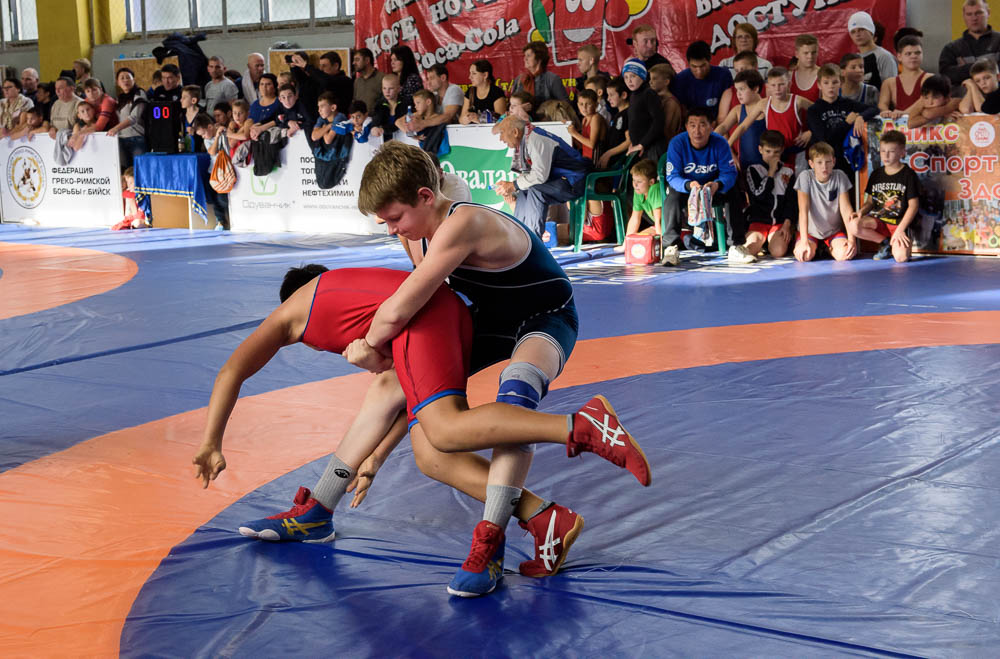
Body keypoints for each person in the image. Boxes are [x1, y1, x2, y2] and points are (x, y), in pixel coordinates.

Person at [193, 262, 650, 598]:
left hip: (435, 317)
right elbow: (399, 391)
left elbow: (232, 371)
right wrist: (374, 459)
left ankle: (579, 426)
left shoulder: (291, 315)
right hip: (442, 315)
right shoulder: (350, 294)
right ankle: (544, 516)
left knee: (446, 431)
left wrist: (211, 442)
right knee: (430, 453)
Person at [661, 107, 743, 266]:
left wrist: (717, 184)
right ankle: (670, 247)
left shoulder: (720, 143)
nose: (697, 131)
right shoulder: (677, 143)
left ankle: (736, 245)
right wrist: (688, 185)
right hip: (687, 188)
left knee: (732, 192)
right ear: (686, 127)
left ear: (711, 126)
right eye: (692, 125)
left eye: (702, 125)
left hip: (712, 187)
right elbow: (672, 176)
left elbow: (729, 173)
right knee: (672, 197)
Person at [492, 115, 591, 237]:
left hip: (576, 182)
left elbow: (539, 176)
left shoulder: (536, 140)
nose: (501, 138)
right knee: (524, 189)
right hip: (563, 181)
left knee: (535, 189)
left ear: (515, 132)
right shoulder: (528, 137)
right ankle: (520, 235)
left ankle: (534, 239)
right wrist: (511, 186)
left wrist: (513, 185)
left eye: (502, 133)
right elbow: (532, 176)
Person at [848, 130, 919, 262]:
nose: (886, 155)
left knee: (901, 258)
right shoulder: (876, 174)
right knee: (853, 225)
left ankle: (896, 242)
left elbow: (913, 206)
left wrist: (900, 229)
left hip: (898, 224)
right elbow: (870, 202)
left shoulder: (908, 175)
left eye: (891, 151)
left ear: (902, 152)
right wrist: (861, 211)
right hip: (878, 222)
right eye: (882, 151)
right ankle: (884, 243)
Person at [806, 64, 878, 178]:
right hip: (823, 162)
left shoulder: (847, 104)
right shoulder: (813, 110)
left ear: (841, 83)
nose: (831, 87)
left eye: (835, 82)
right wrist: (847, 123)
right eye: (826, 83)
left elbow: (874, 109)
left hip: (845, 160)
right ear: (819, 85)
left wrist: (860, 117)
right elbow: (825, 138)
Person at [731, 67, 812, 167]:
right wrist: (728, 144)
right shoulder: (763, 104)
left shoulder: (798, 101)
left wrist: (810, 132)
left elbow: (821, 113)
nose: (777, 89)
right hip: (775, 154)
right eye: (773, 85)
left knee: (797, 177)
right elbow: (743, 126)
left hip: (796, 152)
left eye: (781, 84)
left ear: (789, 84)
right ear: (768, 87)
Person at [793, 141, 856, 263]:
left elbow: (846, 210)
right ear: (811, 164)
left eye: (828, 162)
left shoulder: (840, 176)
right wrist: (804, 241)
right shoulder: (805, 177)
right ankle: (815, 247)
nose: (824, 167)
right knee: (805, 256)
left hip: (833, 231)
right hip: (810, 232)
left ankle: (827, 248)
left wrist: (852, 240)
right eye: (819, 162)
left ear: (834, 161)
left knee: (844, 255)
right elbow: (803, 211)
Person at [738, 130, 795, 261]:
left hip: (779, 222)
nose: (772, 156)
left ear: (782, 151)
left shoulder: (788, 171)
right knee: (748, 249)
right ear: (760, 149)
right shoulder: (753, 169)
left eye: (776, 152)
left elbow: (791, 201)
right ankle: (761, 243)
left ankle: (769, 243)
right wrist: (770, 173)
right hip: (759, 221)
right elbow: (758, 196)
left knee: (778, 251)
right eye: (768, 151)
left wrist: (787, 224)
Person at [940, 0, 1000, 89]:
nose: (974, 18)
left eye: (978, 13)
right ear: (964, 16)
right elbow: (945, 77)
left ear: (988, 13)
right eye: (969, 14)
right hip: (964, 96)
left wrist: (963, 69)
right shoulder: (951, 48)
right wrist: (977, 67)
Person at [670, 40, 734, 123]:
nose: (699, 71)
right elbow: (681, 112)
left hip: (719, 123)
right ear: (688, 63)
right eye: (694, 66)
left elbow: (728, 110)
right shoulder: (680, 80)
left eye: (703, 66)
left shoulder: (723, 76)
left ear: (709, 60)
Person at [716, 69, 765, 171]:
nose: (738, 94)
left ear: (755, 89)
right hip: (745, 165)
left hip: (768, 164)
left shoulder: (768, 107)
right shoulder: (738, 110)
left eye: (742, 89)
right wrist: (710, 138)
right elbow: (724, 127)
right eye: (737, 90)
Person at [621, 59, 665, 163]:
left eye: (633, 76)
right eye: (626, 77)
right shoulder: (633, 95)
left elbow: (659, 122)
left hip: (652, 148)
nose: (629, 81)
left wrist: (642, 144)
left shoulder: (649, 93)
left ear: (642, 76)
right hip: (640, 147)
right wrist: (634, 143)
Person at [106, 67, 148, 170]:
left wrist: (116, 129)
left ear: (134, 79)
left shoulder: (139, 93)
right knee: (124, 172)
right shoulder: (119, 98)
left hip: (137, 139)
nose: (125, 80)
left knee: (139, 170)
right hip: (121, 140)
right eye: (122, 78)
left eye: (128, 77)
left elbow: (134, 117)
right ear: (118, 82)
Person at [879, 36, 929, 115]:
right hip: (897, 122)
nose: (913, 56)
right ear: (899, 57)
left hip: (923, 122)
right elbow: (882, 105)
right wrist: (886, 112)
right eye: (908, 54)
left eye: (917, 53)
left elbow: (923, 101)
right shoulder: (889, 83)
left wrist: (904, 113)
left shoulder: (929, 79)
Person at [848, 11, 897, 90]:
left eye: (861, 29)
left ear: (871, 31)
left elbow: (892, 89)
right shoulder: (853, 59)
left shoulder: (884, 56)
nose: (857, 34)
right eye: (853, 32)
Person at [511, 42, 569, 106]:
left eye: (528, 55)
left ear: (539, 58)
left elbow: (566, 105)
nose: (525, 59)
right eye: (524, 56)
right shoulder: (519, 79)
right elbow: (511, 104)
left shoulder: (552, 79)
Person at [717, 50, 759, 125]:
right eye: (737, 71)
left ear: (755, 67)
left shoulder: (768, 89)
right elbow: (721, 121)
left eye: (743, 70)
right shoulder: (729, 92)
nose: (740, 74)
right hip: (735, 132)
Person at [597, 77, 630, 169]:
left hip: (619, 163)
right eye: (608, 95)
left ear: (623, 95)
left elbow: (629, 141)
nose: (608, 99)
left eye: (611, 95)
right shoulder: (617, 114)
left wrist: (608, 153)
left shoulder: (628, 114)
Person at [459, 60, 506, 124]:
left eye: (474, 73)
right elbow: (461, 119)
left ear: (485, 75)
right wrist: (466, 119)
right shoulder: (470, 92)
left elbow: (501, 120)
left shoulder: (497, 93)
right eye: (470, 73)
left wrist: (480, 119)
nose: (470, 77)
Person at [648, 63, 684, 143]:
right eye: (650, 78)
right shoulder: (657, 99)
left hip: (666, 145)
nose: (650, 82)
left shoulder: (671, 103)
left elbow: (665, 129)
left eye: (654, 79)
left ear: (666, 82)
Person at [626, 157, 661, 236]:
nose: (635, 185)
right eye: (633, 180)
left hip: (674, 228)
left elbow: (659, 220)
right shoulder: (639, 192)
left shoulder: (655, 189)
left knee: (645, 241)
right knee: (635, 240)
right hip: (658, 227)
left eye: (639, 181)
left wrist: (661, 242)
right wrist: (627, 241)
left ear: (651, 182)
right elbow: (635, 218)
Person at [370, 74, 404, 139]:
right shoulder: (379, 105)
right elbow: (375, 120)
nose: (387, 91)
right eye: (384, 88)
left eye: (391, 88)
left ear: (399, 89)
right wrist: (374, 127)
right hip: (385, 142)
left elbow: (401, 124)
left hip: (403, 141)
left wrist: (384, 129)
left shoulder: (405, 104)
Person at [390, 45, 423, 111]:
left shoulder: (413, 79)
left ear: (405, 60)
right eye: (391, 60)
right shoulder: (392, 78)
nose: (392, 63)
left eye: (395, 60)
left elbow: (411, 102)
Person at [789, 34, 820, 102]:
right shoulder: (789, 76)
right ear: (797, 54)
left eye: (813, 52)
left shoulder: (823, 75)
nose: (810, 57)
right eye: (806, 53)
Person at [352, 47, 384, 112]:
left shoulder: (382, 78)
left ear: (367, 60)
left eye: (357, 60)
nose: (353, 63)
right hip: (360, 117)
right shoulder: (357, 81)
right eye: (354, 60)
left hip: (377, 117)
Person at [248, 73, 280, 137]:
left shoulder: (280, 102)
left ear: (275, 87)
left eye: (268, 84)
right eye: (262, 84)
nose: (264, 87)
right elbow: (250, 121)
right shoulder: (255, 104)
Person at [180, 85, 204, 152]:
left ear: (193, 100)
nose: (181, 100)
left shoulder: (203, 116)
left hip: (199, 152)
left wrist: (195, 133)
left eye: (184, 98)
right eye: (181, 97)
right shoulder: (181, 116)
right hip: (184, 153)